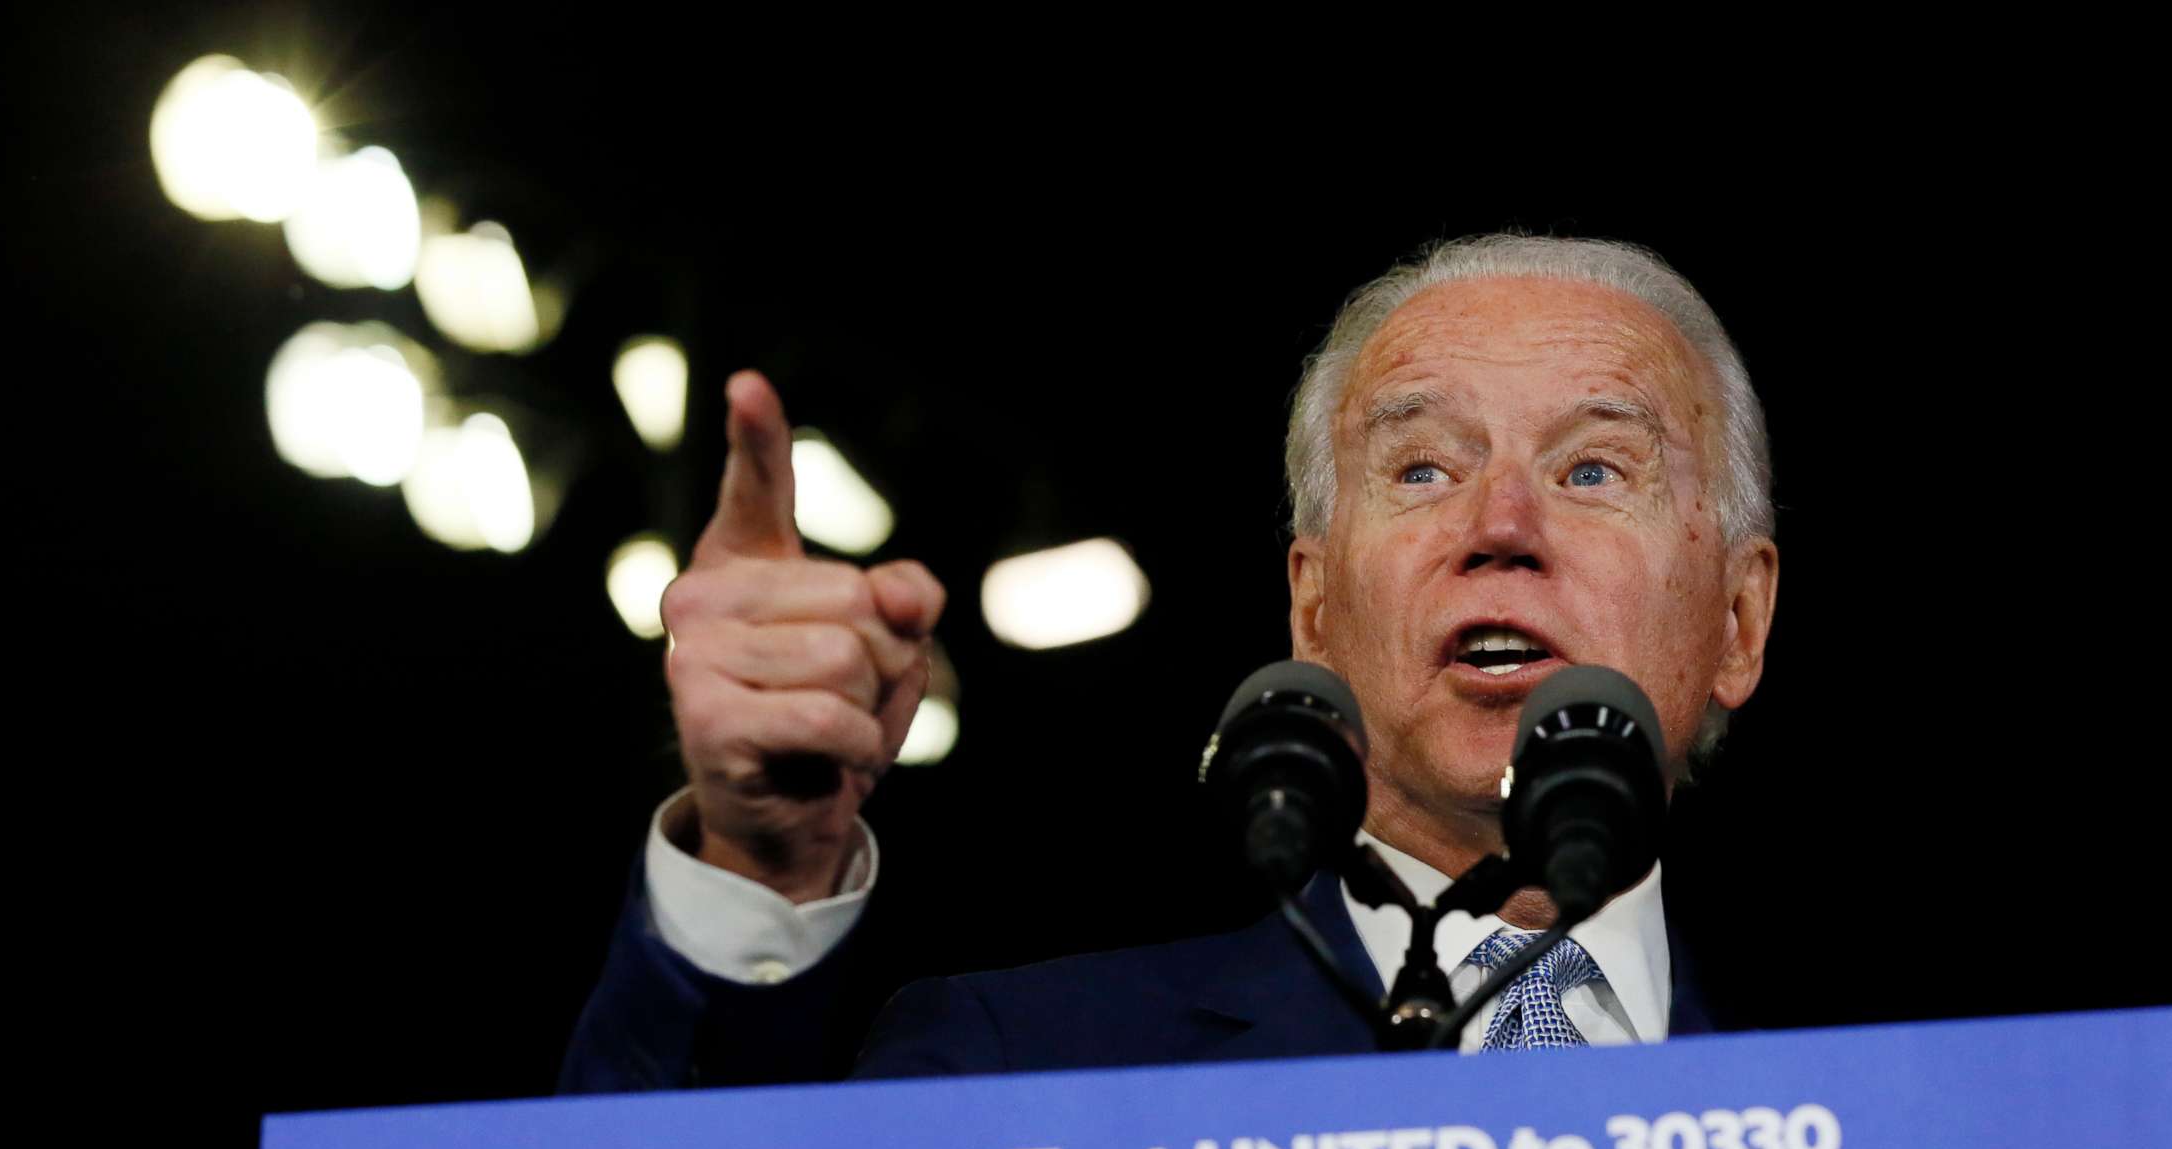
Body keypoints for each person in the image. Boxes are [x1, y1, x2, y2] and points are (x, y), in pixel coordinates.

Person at [560, 234, 1778, 1090]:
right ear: (1313, 609)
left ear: (1738, 620)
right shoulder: (1028, 1066)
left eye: (1594, 471)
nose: (1501, 527)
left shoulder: (1910, 1128)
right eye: (1422, 470)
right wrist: (755, 867)